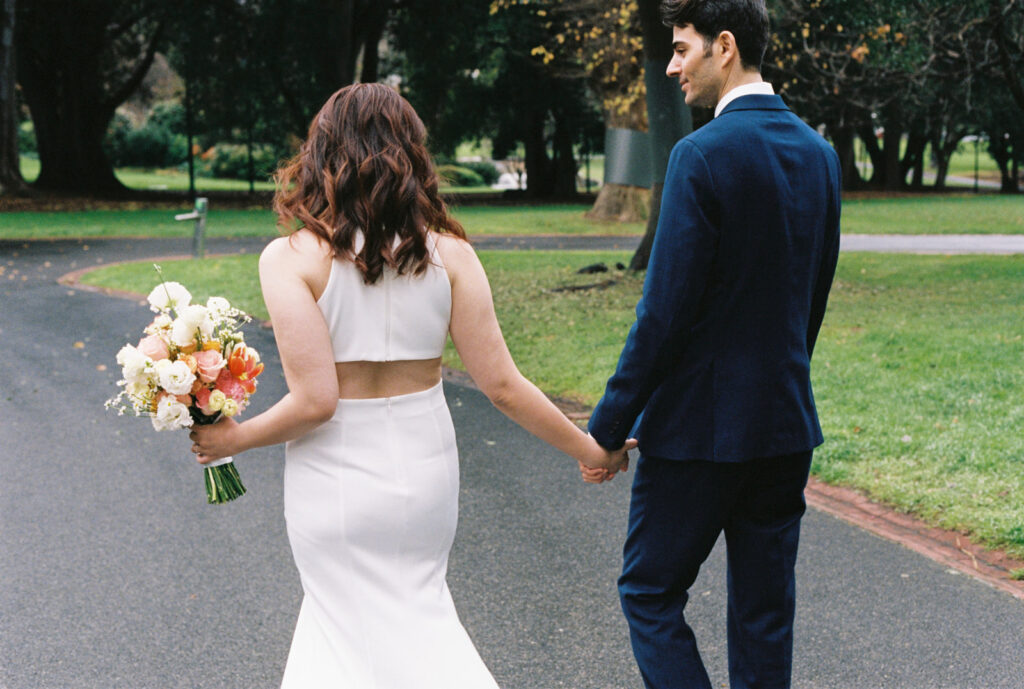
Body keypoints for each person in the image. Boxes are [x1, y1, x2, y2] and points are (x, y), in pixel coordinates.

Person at [188, 83, 632, 688]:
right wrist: (589, 448)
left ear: (322, 155)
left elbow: (317, 401)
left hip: (333, 478)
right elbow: (501, 384)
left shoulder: (291, 259)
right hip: (424, 470)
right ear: (412, 155)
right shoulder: (452, 255)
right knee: (420, 613)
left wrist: (232, 441)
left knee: (339, 631)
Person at [584, 1, 842, 688]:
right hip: (784, 426)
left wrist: (609, 427)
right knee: (764, 616)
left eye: (680, 50)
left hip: (696, 432)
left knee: (648, 591)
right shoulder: (821, 155)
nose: (671, 67)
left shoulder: (698, 155)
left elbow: (661, 315)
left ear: (723, 47)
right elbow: (807, 305)